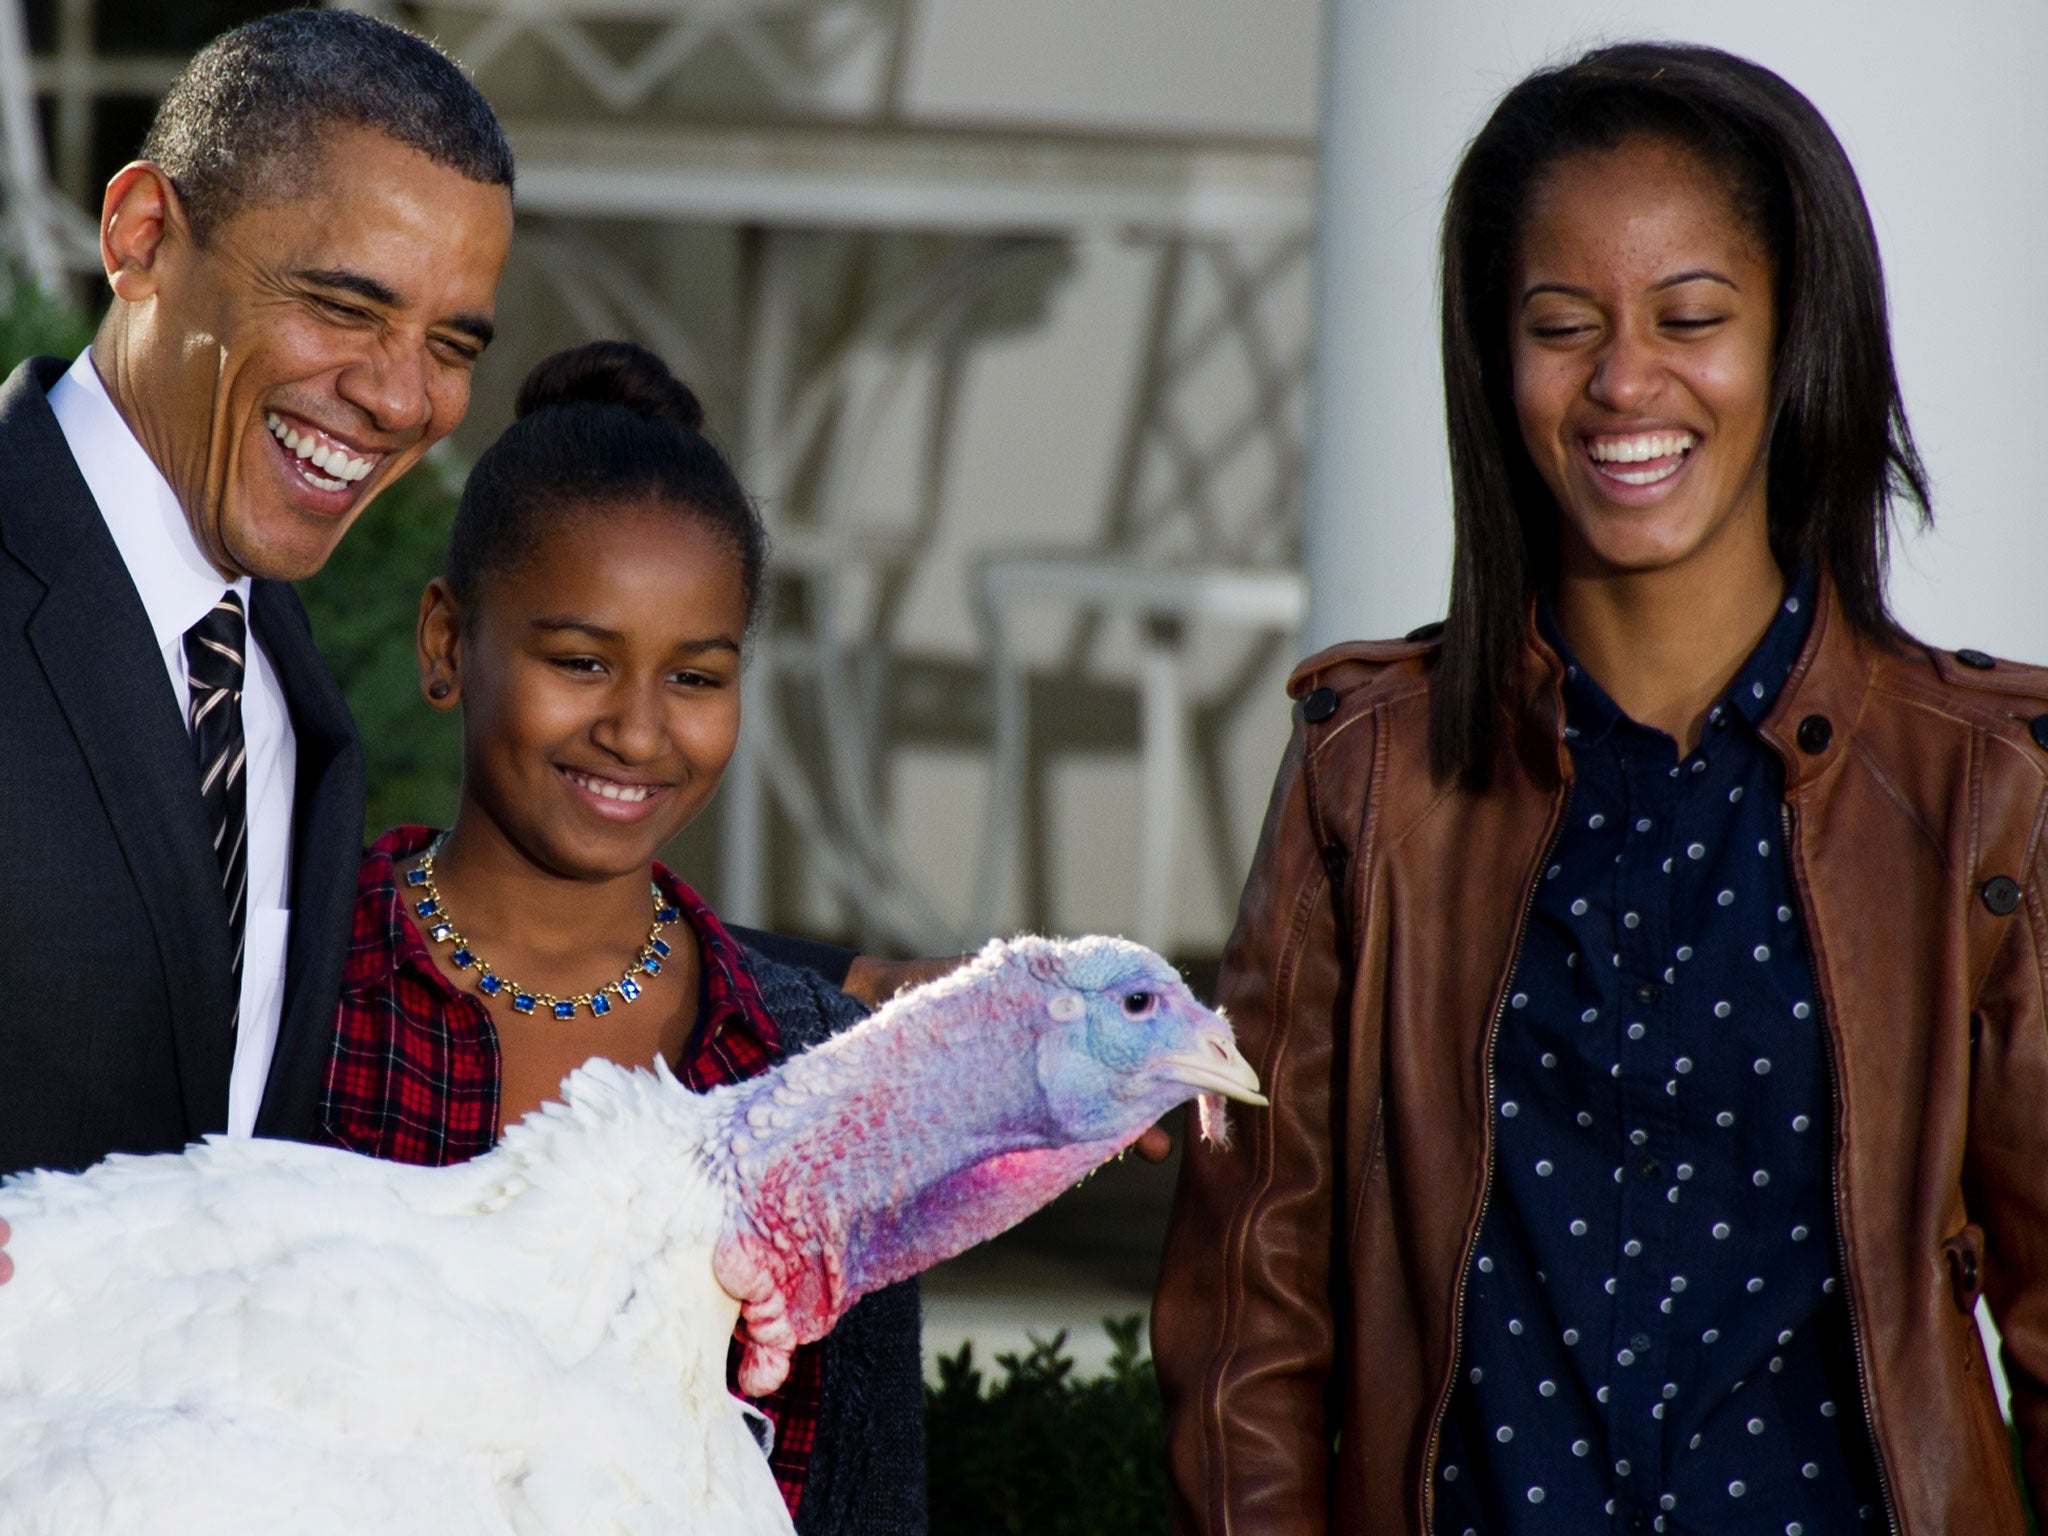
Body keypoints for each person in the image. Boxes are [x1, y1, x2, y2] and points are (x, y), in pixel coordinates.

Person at [1154, 41, 2048, 1536]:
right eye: (1563, 326)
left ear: (1794, 339)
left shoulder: (1982, 790)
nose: (1626, 380)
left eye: (1691, 317)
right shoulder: (1364, 777)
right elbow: (1253, 1324)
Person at [319, 340, 922, 1533]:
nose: (638, 732)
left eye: (695, 679)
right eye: (581, 662)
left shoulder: (816, 1079)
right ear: (447, 645)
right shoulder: (305, 980)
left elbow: (862, 1494)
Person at [0, 8, 514, 1179]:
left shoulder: (270, 679)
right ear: (139, 239)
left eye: (452, 346)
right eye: (344, 307)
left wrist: (831, 985)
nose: (400, 398)